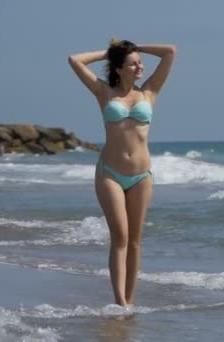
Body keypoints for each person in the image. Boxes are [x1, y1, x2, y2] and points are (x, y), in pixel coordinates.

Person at [68, 39, 176, 306]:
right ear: (118, 68)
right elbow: (75, 59)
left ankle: (130, 301)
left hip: (142, 175)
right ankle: (120, 303)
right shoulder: (104, 92)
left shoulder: (150, 91)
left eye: (140, 62)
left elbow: (170, 52)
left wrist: (134, 46)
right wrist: (110, 53)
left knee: (136, 242)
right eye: (133, 63)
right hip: (110, 173)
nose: (140, 66)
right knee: (120, 237)